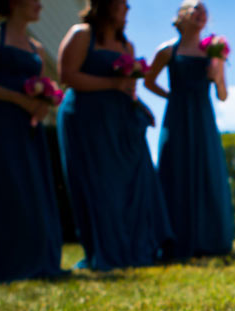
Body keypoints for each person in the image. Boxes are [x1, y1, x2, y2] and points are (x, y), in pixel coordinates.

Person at [57, 0, 173, 270]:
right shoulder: (81, 35)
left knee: (130, 184)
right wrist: (112, 83)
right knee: (99, 187)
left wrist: (141, 106)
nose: (127, 9)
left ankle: (135, 248)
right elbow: (67, 76)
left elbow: (128, 89)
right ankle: (103, 251)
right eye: (122, 3)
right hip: (87, 120)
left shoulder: (126, 46)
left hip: (119, 122)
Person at [0, 0, 65, 285]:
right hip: (0, 121)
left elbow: (42, 86)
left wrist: (42, 104)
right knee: (4, 187)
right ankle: (3, 266)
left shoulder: (37, 49)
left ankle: (36, 259)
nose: (40, 5)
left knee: (32, 187)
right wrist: (17, 99)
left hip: (28, 126)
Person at [144, 1, 234, 260]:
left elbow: (223, 95)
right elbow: (149, 81)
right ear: (181, 16)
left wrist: (216, 74)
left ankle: (210, 240)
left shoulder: (213, 50)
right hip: (177, 118)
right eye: (194, 8)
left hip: (203, 118)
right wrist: (171, 96)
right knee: (176, 171)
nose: (200, 13)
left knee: (208, 170)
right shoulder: (168, 51)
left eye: (204, 10)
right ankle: (174, 240)